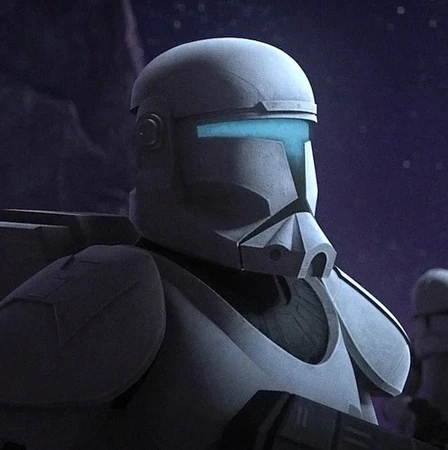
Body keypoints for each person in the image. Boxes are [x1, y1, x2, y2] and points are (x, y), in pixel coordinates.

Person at [0, 38, 412, 450]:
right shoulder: (117, 289)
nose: (291, 164)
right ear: (157, 138)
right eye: (257, 132)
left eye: (299, 138)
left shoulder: (339, 302)